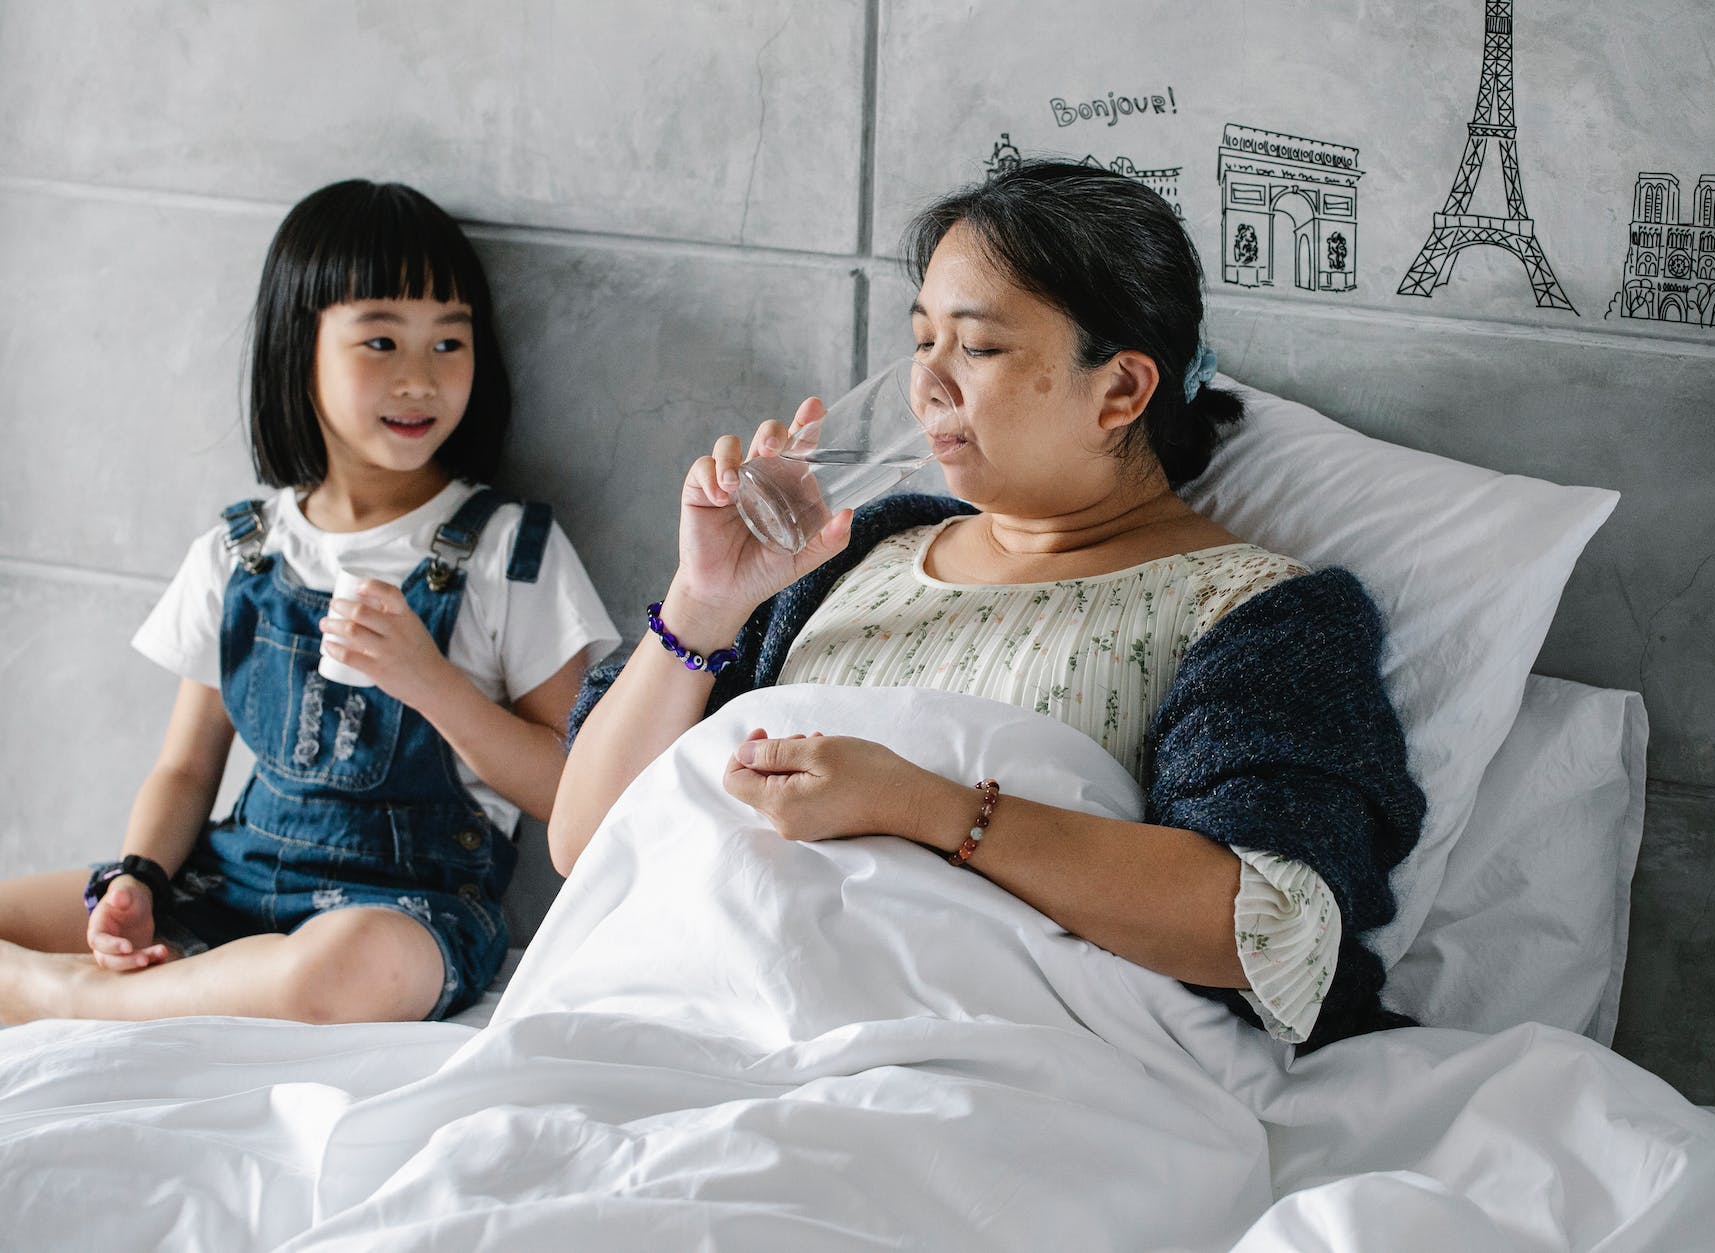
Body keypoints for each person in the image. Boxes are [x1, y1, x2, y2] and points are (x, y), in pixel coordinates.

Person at [551, 161, 1425, 1049]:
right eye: (922, 341)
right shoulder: (843, 556)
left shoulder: (1258, 616)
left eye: (976, 347)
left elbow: (1261, 924)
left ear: (1121, 389)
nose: (925, 385)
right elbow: (589, 848)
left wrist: (925, 808)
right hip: (697, 1017)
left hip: (996, 1065)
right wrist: (703, 605)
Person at [0, 180, 619, 1025]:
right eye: (379, 341)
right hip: (238, 877)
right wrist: (139, 877)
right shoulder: (239, 548)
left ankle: (71, 1001)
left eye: (449, 342)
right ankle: (160, 976)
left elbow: (571, 788)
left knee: (336, 971)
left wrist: (429, 682)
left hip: (407, 909)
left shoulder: (509, 551)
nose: (419, 378)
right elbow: (185, 768)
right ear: (302, 351)